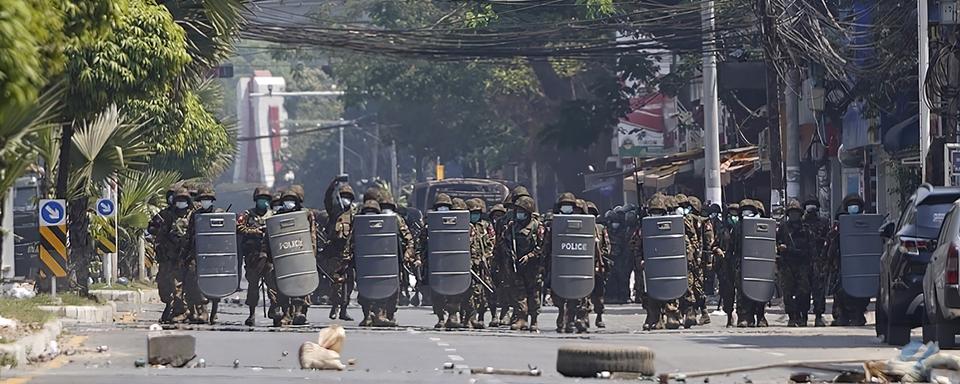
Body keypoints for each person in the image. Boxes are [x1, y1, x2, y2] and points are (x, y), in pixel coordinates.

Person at [270, 187, 321, 326]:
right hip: (283, 255)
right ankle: (286, 313)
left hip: (301, 254)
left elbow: (312, 235)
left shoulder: (305, 214)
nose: (289, 203)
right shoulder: (277, 216)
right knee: (284, 287)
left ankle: (299, 312)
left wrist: (311, 255)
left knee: (302, 285)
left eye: (292, 200)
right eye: (286, 200)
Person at [634, 194, 684, 330]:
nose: (656, 215)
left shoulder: (672, 226)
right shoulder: (644, 228)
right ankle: (654, 317)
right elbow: (637, 247)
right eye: (653, 212)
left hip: (668, 266)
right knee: (650, 295)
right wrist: (641, 262)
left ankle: (672, 315)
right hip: (651, 266)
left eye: (659, 212)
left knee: (670, 290)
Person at [496, 195, 545, 331]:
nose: (519, 214)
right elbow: (502, 240)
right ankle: (521, 318)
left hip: (533, 267)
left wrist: (530, 256)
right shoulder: (512, 226)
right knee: (519, 293)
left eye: (522, 211)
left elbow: (543, 246)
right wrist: (508, 252)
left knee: (534, 294)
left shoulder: (537, 227)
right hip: (517, 265)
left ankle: (534, 320)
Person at [180, 185, 223, 324]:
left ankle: (214, 311)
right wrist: (185, 253)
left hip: (215, 254)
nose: (205, 201)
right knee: (193, 278)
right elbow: (190, 234)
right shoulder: (196, 215)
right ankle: (203, 309)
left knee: (215, 283)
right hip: (198, 252)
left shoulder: (219, 213)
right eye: (203, 199)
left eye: (208, 199)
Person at [826, 194, 870, 326]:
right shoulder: (840, 225)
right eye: (851, 206)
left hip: (861, 264)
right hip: (842, 263)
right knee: (841, 289)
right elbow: (832, 245)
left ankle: (858, 313)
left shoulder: (866, 224)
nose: (853, 208)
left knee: (861, 290)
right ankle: (843, 314)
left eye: (855, 205)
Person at [150, 186, 191, 324]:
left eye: (183, 200)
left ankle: (181, 311)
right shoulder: (166, 215)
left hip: (184, 257)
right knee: (163, 286)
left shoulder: (193, 215)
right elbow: (151, 227)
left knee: (177, 286)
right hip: (167, 257)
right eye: (178, 199)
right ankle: (169, 305)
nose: (181, 202)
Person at [238, 186, 276, 326]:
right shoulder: (248, 214)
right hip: (253, 257)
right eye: (261, 199)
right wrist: (254, 231)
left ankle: (275, 308)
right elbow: (239, 227)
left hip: (269, 256)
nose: (263, 202)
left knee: (272, 284)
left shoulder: (273, 215)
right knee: (253, 287)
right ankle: (252, 314)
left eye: (265, 199)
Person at [377, 190, 416, 326]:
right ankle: (379, 313)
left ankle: (390, 313)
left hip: (395, 259)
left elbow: (409, 239)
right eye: (383, 207)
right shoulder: (374, 219)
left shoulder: (397, 219)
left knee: (394, 287)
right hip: (378, 260)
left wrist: (407, 254)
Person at [545, 193, 582, 333]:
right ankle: (561, 313)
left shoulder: (581, 223)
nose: (567, 208)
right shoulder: (553, 224)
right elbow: (547, 245)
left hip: (574, 263)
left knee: (574, 294)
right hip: (557, 263)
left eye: (570, 206)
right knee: (558, 294)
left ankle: (570, 319)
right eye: (564, 206)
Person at [777, 199, 814, 327]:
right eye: (791, 212)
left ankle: (803, 315)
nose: (794, 215)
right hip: (787, 264)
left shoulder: (805, 228)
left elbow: (809, 248)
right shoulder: (783, 228)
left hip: (802, 264)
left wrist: (790, 249)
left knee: (803, 291)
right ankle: (792, 316)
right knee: (787, 292)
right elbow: (776, 243)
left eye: (796, 212)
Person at [323, 179, 356, 322]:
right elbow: (327, 198)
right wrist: (333, 185)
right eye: (343, 196)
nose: (346, 199)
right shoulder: (334, 211)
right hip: (336, 252)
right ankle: (335, 306)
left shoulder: (355, 214)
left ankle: (344, 309)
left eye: (348, 197)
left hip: (350, 253)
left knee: (349, 282)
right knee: (337, 282)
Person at [463, 198, 495, 329]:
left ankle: (479, 316)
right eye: (473, 212)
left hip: (483, 264)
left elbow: (492, 242)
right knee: (470, 291)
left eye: (477, 212)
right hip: (468, 265)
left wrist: (486, 257)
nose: (475, 215)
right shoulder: (463, 226)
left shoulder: (486, 226)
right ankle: (469, 317)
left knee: (483, 292)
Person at [736, 199, 768, 327]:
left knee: (759, 290)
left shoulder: (762, 226)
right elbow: (732, 246)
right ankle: (745, 316)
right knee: (742, 291)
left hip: (759, 263)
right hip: (742, 263)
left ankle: (760, 315)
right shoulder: (738, 227)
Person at [804, 197, 832, 327]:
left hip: (819, 261)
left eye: (813, 207)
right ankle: (802, 315)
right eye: (809, 207)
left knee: (819, 290)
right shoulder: (801, 223)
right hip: (803, 261)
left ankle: (819, 316)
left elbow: (829, 242)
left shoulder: (824, 223)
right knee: (803, 290)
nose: (811, 210)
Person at [687, 196, 715, 325]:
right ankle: (692, 312)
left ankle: (701, 312)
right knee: (689, 285)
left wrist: (708, 260)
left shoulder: (703, 222)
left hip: (698, 259)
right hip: (687, 258)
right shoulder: (685, 220)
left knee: (696, 286)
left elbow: (709, 242)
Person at [584, 201, 611, 329]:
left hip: (597, 267)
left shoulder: (600, 229)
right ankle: (584, 316)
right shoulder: (581, 229)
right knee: (583, 294)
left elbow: (607, 246)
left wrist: (600, 254)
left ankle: (599, 316)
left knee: (599, 294)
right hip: (583, 266)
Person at [714, 203, 739, 327]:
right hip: (725, 263)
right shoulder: (723, 229)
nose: (733, 215)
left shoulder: (743, 227)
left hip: (739, 263)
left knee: (742, 291)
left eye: (736, 212)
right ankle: (729, 314)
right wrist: (717, 249)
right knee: (727, 292)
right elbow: (715, 244)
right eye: (731, 212)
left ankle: (744, 315)